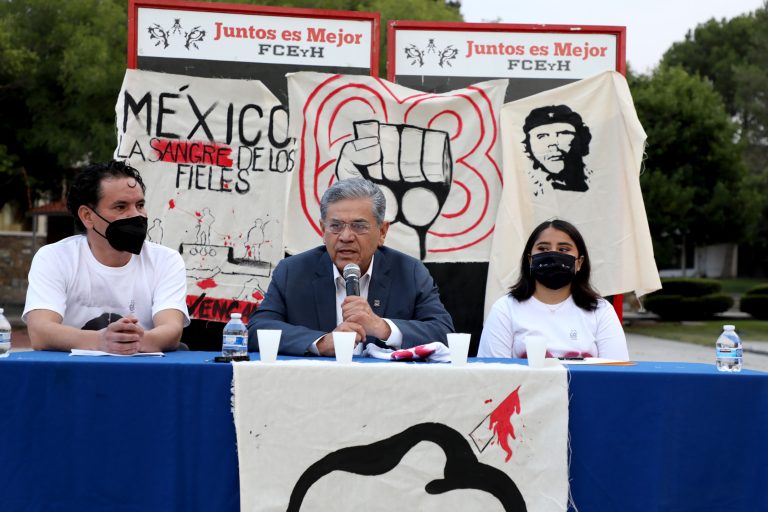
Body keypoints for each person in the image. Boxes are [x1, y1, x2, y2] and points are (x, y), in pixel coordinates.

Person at [248, 178, 454, 357]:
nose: (346, 237)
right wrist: (321, 342)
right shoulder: (292, 272)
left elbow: (444, 334)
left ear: (382, 232)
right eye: (336, 226)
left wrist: (381, 327)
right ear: (322, 229)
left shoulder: (409, 273)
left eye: (359, 226)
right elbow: (257, 329)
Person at [23, 160, 190, 354]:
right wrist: (101, 341)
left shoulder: (166, 260)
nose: (135, 215)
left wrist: (132, 342)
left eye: (140, 205)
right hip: (72, 377)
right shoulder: (54, 258)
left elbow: (172, 329)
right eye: (121, 207)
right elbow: (40, 332)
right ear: (87, 216)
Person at [478, 219, 628, 360]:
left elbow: (617, 374)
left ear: (579, 262)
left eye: (563, 249)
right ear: (530, 259)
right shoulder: (505, 309)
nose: (553, 255)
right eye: (543, 248)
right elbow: (492, 376)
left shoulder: (601, 311)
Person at [522, 105, 592, 194]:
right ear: (527, 146)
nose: (553, 144)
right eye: (542, 136)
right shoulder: (523, 190)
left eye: (564, 133)